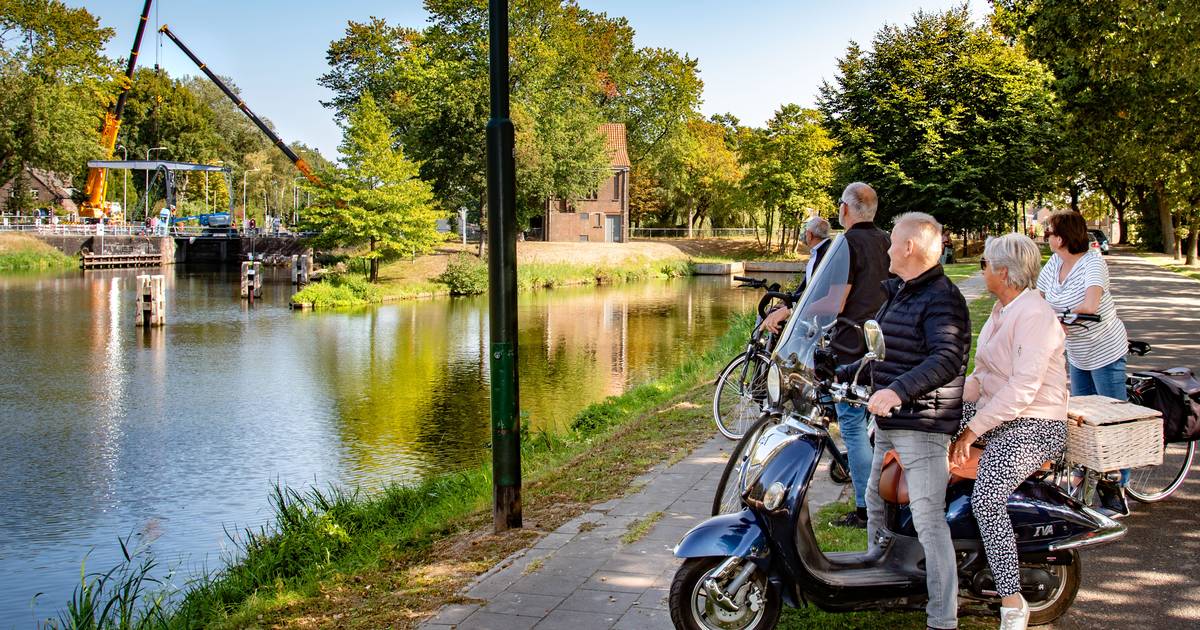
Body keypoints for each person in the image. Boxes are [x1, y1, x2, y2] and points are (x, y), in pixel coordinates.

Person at [839, 212, 970, 630]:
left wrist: (897, 391)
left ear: (910, 247)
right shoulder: (902, 292)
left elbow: (948, 358)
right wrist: (839, 372)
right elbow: (885, 352)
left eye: (892, 241)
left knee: (930, 522)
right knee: (875, 501)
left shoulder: (942, 298)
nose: (887, 248)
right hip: (894, 419)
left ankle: (942, 617)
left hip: (923, 424)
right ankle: (881, 575)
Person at [952, 234, 1068, 630]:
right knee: (919, 427)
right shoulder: (1003, 311)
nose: (981, 269)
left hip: (1035, 424)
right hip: (999, 412)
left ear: (1003, 272)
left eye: (984, 264)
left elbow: (1023, 389)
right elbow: (982, 375)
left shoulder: (1035, 316)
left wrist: (970, 430)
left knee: (987, 496)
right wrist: (945, 404)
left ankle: (1012, 599)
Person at [764, 182, 890, 528]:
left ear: (845, 209)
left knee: (850, 424)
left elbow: (834, 300)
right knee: (866, 421)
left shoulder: (846, 243)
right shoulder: (886, 241)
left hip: (852, 344)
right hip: (880, 339)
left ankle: (866, 508)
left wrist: (792, 313)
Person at [1036, 210, 1131, 517]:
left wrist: (1058, 315)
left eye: (1048, 233)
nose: (1046, 237)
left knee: (1111, 420)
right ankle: (1087, 478)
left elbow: (1090, 305)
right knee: (1081, 419)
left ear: (1061, 238)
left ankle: (1118, 488)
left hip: (1104, 349)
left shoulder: (1093, 262)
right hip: (1077, 351)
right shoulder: (1053, 263)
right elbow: (1038, 299)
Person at [796, 215, 832, 295]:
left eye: (805, 232)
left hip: (818, 305)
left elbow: (817, 290)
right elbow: (806, 285)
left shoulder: (825, 253)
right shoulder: (823, 250)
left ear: (809, 234)